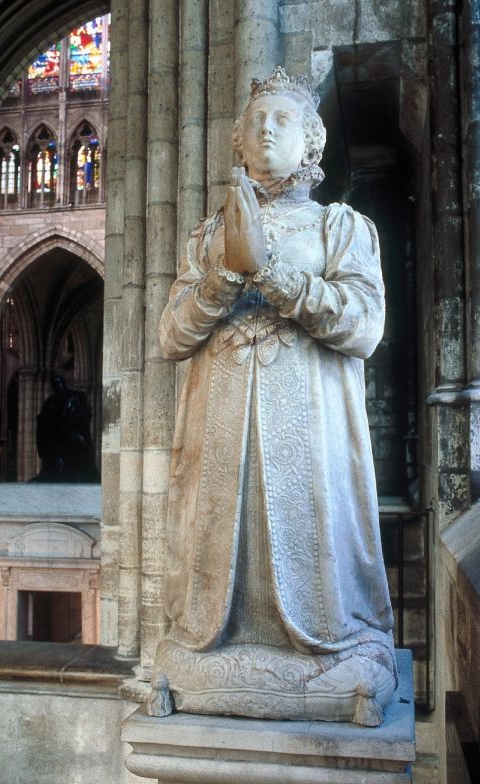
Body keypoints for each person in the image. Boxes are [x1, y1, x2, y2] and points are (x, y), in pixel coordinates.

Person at [148, 67, 396, 725]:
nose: (264, 128)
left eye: (281, 118)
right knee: (222, 542)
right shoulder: (207, 236)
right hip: (220, 430)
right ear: (236, 141)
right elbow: (171, 337)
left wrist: (280, 279)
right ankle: (216, 642)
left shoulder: (338, 226)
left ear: (311, 139)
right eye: (254, 121)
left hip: (305, 428)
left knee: (304, 531)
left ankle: (327, 651)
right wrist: (225, 276)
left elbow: (364, 326)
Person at [32, 374, 100, 483]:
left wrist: (68, 422)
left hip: (73, 430)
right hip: (56, 432)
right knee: (47, 434)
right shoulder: (51, 401)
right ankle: (54, 468)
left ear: (64, 382)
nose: (58, 385)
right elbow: (43, 417)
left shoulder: (77, 396)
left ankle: (81, 470)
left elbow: (85, 414)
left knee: (77, 439)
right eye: (55, 383)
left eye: (59, 382)